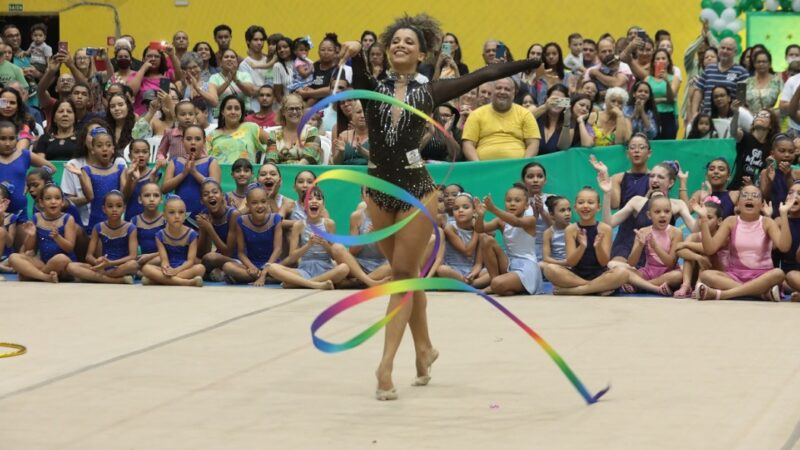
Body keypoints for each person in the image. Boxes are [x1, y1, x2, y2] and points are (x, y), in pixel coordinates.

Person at [338, 13, 541, 400]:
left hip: (416, 189)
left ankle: (384, 368)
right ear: (386, 47)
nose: (400, 45)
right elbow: (357, 65)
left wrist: (528, 64)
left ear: (422, 52)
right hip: (377, 190)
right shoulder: (371, 85)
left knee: (400, 276)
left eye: (408, 42)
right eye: (394, 40)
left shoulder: (429, 91)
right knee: (409, 274)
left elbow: (484, 74)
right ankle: (425, 349)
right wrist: (353, 50)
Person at [693, 185, 791, 301]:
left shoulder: (767, 222)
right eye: (744, 195)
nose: (749, 198)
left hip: (762, 276)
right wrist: (704, 219)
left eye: (755, 196)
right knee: (706, 275)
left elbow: (784, 247)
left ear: (761, 205)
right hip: (734, 276)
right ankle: (760, 294)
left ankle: (722, 294)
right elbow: (710, 249)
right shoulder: (730, 221)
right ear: (738, 204)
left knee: (778, 273)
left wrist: (784, 215)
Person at [542, 187, 629, 295]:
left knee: (623, 272)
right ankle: (596, 288)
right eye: (581, 202)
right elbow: (571, 262)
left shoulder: (605, 229)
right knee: (549, 269)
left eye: (591, 202)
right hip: (576, 275)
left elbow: (604, 262)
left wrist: (598, 247)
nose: (585, 206)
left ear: (598, 207)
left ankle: (577, 290)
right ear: (575, 207)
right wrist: (581, 247)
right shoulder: (571, 230)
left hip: (600, 274)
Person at [267, 186, 349, 289]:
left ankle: (300, 283)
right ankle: (316, 284)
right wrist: (308, 245)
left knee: (344, 268)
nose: (314, 201)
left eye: (318, 199)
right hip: (304, 269)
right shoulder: (299, 225)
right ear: (304, 206)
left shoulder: (329, 224)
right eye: (309, 199)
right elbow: (293, 257)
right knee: (272, 268)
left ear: (323, 205)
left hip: (326, 269)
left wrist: (325, 244)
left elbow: (334, 256)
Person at [475, 184, 544, 296]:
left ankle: (499, 284)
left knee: (498, 284)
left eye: (517, 200)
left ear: (526, 205)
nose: (512, 203)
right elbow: (479, 229)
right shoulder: (501, 221)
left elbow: (516, 222)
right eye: (508, 200)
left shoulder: (530, 220)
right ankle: (495, 282)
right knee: (485, 239)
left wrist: (493, 209)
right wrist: (480, 216)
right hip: (509, 263)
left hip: (527, 267)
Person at [66, 190, 138, 284]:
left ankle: (100, 277)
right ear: (104, 209)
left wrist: (111, 263)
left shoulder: (130, 228)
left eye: (119, 206)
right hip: (103, 267)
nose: (114, 209)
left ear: (124, 208)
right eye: (110, 206)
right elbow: (89, 256)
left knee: (133, 265)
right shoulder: (98, 227)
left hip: (122, 267)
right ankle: (115, 280)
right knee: (71, 267)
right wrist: (97, 262)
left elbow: (133, 256)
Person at [8, 184, 76, 282]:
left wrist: (57, 237)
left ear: (62, 202)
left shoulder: (68, 218)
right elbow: (28, 248)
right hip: (43, 263)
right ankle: (45, 277)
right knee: (13, 257)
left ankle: (32, 275)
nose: (53, 202)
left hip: (63, 265)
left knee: (60, 258)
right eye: (48, 198)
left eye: (57, 198)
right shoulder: (36, 217)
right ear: (41, 203)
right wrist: (31, 235)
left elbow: (69, 248)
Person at [462, 77, 541, 160]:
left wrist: (523, 165)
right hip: (484, 168)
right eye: (499, 88)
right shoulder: (476, 114)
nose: (502, 92)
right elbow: (468, 144)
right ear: (492, 92)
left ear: (513, 94)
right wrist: (478, 165)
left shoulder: (525, 114)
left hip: (517, 168)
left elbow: (533, 143)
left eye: (507, 89)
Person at [620, 195, 683, 295]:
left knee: (678, 276)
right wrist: (639, 246)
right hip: (648, 272)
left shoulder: (676, 232)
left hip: (668, 273)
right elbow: (631, 263)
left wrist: (655, 247)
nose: (662, 215)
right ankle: (653, 286)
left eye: (667, 211)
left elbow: (671, 264)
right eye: (657, 212)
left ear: (671, 213)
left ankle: (641, 286)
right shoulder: (644, 231)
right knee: (623, 272)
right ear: (649, 215)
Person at [66, 127, 127, 230]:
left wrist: (131, 180)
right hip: (96, 221)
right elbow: (90, 197)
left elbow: (125, 194)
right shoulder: (86, 170)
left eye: (108, 145)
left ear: (113, 149)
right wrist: (80, 176)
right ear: (92, 150)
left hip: (116, 221)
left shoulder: (120, 168)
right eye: (99, 146)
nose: (104, 149)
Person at [222, 184, 283, 286]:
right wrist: (251, 267)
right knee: (227, 266)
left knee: (288, 266)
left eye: (263, 202)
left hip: (272, 265)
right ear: (248, 205)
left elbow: (278, 249)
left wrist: (266, 269)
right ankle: (269, 279)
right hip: (252, 265)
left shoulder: (276, 219)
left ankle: (262, 277)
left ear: (268, 203)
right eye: (254, 203)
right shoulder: (241, 221)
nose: (260, 206)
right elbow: (241, 253)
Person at [140, 195, 205, 287]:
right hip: (168, 268)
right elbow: (164, 260)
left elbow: (190, 261)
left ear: (185, 215)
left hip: (185, 268)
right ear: (164, 215)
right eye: (172, 213)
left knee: (200, 268)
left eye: (181, 212)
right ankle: (187, 282)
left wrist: (176, 271)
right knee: (146, 268)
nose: (177, 216)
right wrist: (167, 269)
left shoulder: (191, 234)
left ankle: (158, 281)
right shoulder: (160, 235)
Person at [161, 125, 222, 219]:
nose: (193, 143)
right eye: (188, 139)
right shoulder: (175, 161)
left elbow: (215, 188)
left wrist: (194, 173)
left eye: (198, 139)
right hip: (179, 217)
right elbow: (164, 189)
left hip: (206, 216)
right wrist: (183, 174)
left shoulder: (211, 161)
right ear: (182, 141)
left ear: (204, 141)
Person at [0, 121, 55, 224]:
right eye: (2, 138)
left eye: (11, 138)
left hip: (20, 214)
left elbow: (51, 168)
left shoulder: (24, 155)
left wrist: (31, 181)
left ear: (17, 138)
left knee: (29, 235)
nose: (7, 143)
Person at [437, 192, 489, 287]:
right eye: (456, 208)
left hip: (473, 270)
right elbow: (467, 251)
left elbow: (478, 263)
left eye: (465, 207)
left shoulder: (482, 233)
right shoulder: (450, 228)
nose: (460, 211)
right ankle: (471, 285)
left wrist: (473, 273)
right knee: (442, 270)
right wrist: (478, 230)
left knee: (491, 272)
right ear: (452, 212)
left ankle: (466, 285)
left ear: (474, 211)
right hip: (454, 269)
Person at [690, 37, 748, 120]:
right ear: (718, 49)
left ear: (735, 53)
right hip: (707, 119)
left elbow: (743, 100)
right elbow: (698, 91)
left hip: (730, 118)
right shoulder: (709, 69)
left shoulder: (742, 72)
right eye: (723, 48)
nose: (725, 51)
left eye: (729, 49)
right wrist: (694, 113)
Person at [196, 179, 239, 280]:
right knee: (193, 259)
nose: (211, 195)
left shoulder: (233, 215)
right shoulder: (205, 214)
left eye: (215, 192)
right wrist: (203, 230)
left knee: (210, 258)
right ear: (201, 200)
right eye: (206, 194)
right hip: (219, 258)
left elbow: (228, 252)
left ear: (222, 196)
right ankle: (219, 273)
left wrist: (209, 229)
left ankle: (224, 273)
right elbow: (202, 254)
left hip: (236, 259)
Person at [729, 106, 779, 190]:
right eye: (758, 115)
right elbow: (733, 132)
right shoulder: (744, 136)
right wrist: (736, 113)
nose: (760, 117)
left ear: (771, 125)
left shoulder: (771, 148)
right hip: (736, 188)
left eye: (765, 115)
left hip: (756, 191)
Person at [208, 96, 269, 164]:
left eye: (237, 109)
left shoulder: (251, 128)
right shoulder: (211, 135)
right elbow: (205, 159)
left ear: (241, 112)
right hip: (219, 173)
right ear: (222, 112)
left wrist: (271, 161)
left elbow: (273, 142)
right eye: (229, 108)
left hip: (247, 173)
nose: (233, 112)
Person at [264, 93, 321, 164]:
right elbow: (270, 159)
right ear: (283, 112)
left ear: (302, 111)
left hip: (305, 172)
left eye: (298, 109)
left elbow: (310, 158)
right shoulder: (274, 134)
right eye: (291, 109)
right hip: (279, 174)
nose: (294, 112)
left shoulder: (311, 131)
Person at [123, 139, 163, 219]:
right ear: (130, 156)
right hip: (131, 216)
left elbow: (154, 198)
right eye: (137, 152)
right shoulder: (125, 172)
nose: (141, 155)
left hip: (149, 218)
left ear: (149, 155)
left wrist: (152, 177)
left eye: (145, 152)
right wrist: (133, 179)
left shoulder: (155, 173)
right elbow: (124, 198)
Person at [647, 49, 680, 139]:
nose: (660, 61)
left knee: (668, 143)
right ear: (653, 63)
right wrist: (662, 99)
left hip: (668, 115)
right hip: (652, 115)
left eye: (663, 58)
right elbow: (647, 100)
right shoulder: (647, 79)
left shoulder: (674, 78)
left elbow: (670, 98)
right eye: (657, 59)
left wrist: (667, 81)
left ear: (668, 62)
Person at [131, 181, 165, 268]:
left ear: (161, 199)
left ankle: (145, 272)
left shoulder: (166, 220)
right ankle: (150, 274)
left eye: (156, 195)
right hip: (141, 260)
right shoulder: (134, 221)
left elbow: (172, 249)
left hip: (161, 258)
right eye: (147, 195)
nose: (152, 199)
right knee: (131, 264)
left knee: (161, 259)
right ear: (140, 199)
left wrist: (149, 256)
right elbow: (131, 250)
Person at [331, 100, 369, 165]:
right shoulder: (344, 135)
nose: (362, 115)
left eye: (365, 112)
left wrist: (363, 152)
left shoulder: (376, 135)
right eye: (358, 112)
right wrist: (341, 152)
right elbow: (336, 163)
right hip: (346, 173)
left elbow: (381, 161)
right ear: (352, 116)